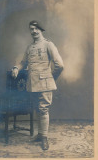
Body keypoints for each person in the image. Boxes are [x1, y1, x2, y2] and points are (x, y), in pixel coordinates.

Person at [11, 20, 64, 150]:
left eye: (36, 29)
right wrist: (16, 68)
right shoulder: (30, 47)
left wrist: (51, 78)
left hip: (45, 83)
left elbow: (60, 65)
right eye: (31, 29)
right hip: (32, 84)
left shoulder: (48, 44)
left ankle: (44, 138)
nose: (33, 31)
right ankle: (40, 135)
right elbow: (23, 62)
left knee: (43, 109)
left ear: (41, 29)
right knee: (37, 109)